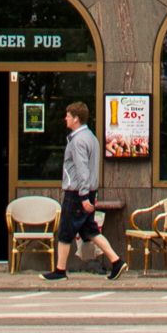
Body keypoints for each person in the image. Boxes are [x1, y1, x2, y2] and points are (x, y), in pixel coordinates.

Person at [46, 102, 123, 281]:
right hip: (88, 191)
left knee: (65, 231)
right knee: (90, 230)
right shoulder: (91, 137)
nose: (65, 118)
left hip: (76, 193)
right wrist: (89, 194)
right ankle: (117, 261)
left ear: (76, 118)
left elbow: (82, 170)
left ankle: (60, 270)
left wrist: (83, 196)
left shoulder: (78, 141)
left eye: (68, 115)